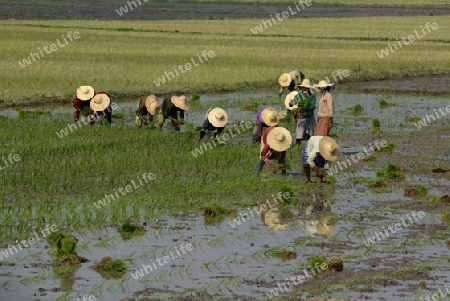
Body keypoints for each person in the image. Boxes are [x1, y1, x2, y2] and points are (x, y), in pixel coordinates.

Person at [286, 79, 317, 144]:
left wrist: (306, 106)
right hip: (302, 116)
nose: (304, 89)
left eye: (306, 88)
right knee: (300, 130)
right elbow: (295, 100)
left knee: (310, 131)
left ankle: (310, 144)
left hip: (309, 116)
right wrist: (291, 103)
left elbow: (313, 106)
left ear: (308, 88)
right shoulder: (300, 94)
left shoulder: (312, 96)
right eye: (303, 88)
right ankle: (298, 144)